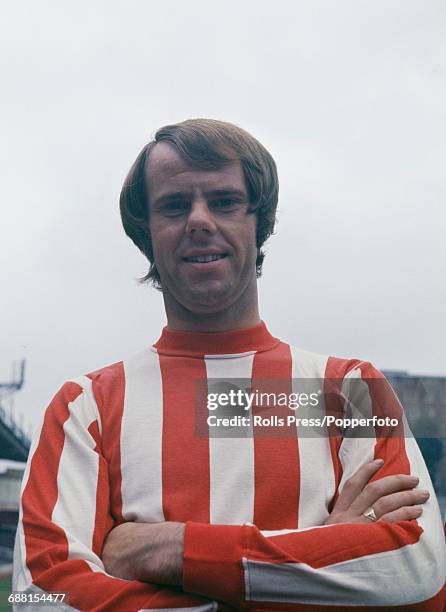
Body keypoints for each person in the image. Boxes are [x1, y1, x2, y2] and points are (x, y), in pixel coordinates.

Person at [13, 119, 446, 611]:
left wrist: (169, 550)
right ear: (146, 233)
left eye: (223, 201)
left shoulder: (349, 388)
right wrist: (317, 568)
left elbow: (416, 567)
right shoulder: (85, 404)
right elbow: (39, 596)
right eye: (174, 206)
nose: (199, 220)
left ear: (258, 221)